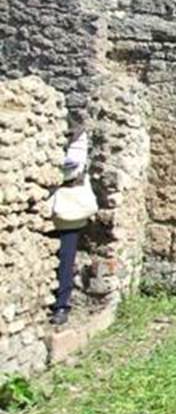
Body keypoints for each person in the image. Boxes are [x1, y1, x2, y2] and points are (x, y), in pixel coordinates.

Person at [48, 126, 97, 326]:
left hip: (65, 207)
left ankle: (61, 304)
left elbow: (72, 170)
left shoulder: (78, 137)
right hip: (44, 207)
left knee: (66, 257)